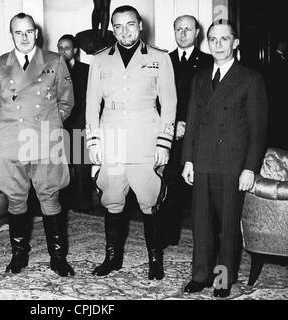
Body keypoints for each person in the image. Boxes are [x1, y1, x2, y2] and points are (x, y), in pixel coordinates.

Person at [86, 5, 177, 279]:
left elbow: (169, 102)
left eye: (130, 24)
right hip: (111, 138)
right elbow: (92, 105)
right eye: (118, 26)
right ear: (112, 28)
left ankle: (155, 259)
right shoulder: (100, 59)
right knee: (112, 199)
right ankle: (112, 258)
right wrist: (93, 141)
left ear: (140, 25)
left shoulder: (160, 58)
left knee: (150, 201)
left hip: (145, 139)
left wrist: (165, 141)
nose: (124, 31)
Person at [181, 19, 268, 298]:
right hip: (203, 161)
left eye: (224, 39)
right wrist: (188, 161)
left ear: (235, 43)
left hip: (232, 164)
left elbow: (258, 130)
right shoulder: (201, 77)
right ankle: (200, 275)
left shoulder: (250, 78)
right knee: (202, 224)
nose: (218, 45)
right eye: (213, 39)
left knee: (227, 227)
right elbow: (193, 122)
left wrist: (249, 169)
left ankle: (221, 280)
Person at [0, 13, 75, 277]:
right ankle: (18, 254)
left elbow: (66, 102)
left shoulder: (55, 61)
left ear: (36, 32)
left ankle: (58, 257)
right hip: (13, 140)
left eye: (29, 32)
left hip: (45, 139)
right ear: (11, 34)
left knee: (51, 198)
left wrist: (47, 125)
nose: (24, 38)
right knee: (16, 200)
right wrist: (12, 125)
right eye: (18, 32)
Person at [159, 15, 213, 248]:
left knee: (200, 190)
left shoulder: (209, 61)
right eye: (178, 29)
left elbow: (209, 101)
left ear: (197, 32)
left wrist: (187, 124)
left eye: (187, 29)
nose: (182, 34)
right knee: (169, 186)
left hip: (198, 135)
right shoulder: (163, 60)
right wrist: (171, 124)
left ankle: (206, 241)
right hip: (169, 135)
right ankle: (167, 235)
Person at [57, 34, 93, 215]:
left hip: (80, 125)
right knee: (62, 166)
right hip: (61, 126)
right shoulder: (52, 71)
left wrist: (89, 124)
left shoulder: (86, 70)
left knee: (81, 167)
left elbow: (91, 100)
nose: (63, 51)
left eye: (67, 48)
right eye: (60, 48)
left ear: (75, 50)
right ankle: (65, 205)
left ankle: (84, 206)